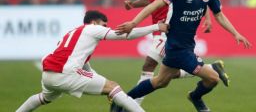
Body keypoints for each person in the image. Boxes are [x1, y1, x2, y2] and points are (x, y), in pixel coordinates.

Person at [112, 0, 252, 112]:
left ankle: (121, 100)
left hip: (186, 46)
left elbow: (218, 15)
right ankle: (195, 97)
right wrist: (133, 23)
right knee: (213, 78)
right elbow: (153, 5)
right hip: (177, 49)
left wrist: (235, 33)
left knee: (160, 81)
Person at [16, 10, 168, 112]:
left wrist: (103, 85)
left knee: (44, 97)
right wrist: (156, 27)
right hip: (66, 73)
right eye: (104, 25)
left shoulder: (73, 33)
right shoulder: (91, 29)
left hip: (49, 75)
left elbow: (87, 69)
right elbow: (124, 35)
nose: (105, 28)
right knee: (113, 87)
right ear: (94, 22)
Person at [123, 0, 213, 105]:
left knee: (150, 65)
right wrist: (133, 4)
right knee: (166, 75)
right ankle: (210, 69)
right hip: (156, 28)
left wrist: (207, 17)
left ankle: (130, 104)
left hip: (170, 29)